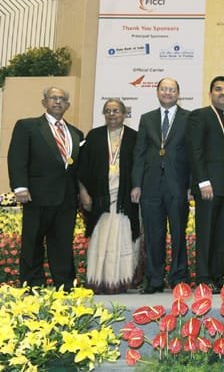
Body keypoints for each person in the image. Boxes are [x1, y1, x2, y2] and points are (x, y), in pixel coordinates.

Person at [7, 87, 83, 290]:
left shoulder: (76, 133)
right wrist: (20, 187)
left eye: (62, 99)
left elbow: (77, 167)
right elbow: (17, 157)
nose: (58, 102)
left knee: (63, 243)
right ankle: (32, 285)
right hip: (36, 195)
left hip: (66, 198)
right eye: (53, 98)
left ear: (67, 105)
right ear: (44, 102)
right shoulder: (28, 126)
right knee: (33, 241)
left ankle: (65, 285)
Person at [131, 77, 192, 294]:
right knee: (154, 234)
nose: (168, 93)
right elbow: (139, 153)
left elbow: (193, 154)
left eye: (172, 90)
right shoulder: (147, 119)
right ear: (158, 93)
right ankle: (154, 279)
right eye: (164, 89)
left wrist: (190, 185)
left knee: (178, 232)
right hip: (151, 186)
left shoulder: (188, 118)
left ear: (178, 94)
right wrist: (136, 184)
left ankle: (178, 277)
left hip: (178, 185)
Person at [77, 98, 140, 294]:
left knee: (122, 238)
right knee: (100, 238)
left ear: (124, 114)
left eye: (116, 111)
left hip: (124, 200)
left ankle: (122, 280)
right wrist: (84, 193)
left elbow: (140, 166)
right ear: (104, 114)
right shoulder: (94, 136)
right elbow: (82, 168)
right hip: (100, 199)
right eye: (108, 111)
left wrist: (138, 187)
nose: (112, 114)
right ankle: (98, 280)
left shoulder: (133, 137)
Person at [186, 76, 224, 294]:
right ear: (210, 93)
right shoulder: (199, 116)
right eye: (218, 89)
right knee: (207, 231)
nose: (223, 93)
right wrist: (202, 181)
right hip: (207, 186)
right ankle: (203, 277)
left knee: (222, 233)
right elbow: (195, 150)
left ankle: (219, 277)